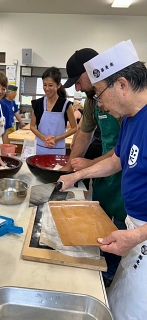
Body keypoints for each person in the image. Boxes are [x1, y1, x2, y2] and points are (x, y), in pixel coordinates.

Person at [59, 39, 147, 320]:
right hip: (136, 231)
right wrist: (78, 175)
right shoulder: (133, 118)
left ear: (121, 84)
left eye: (98, 93)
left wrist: (135, 236)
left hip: (142, 236)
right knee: (115, 301)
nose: (98, 103)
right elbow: (118, 159)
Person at [61, 48, 126, 287]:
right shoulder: (92, 100)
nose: (77, 88)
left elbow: (123, 148)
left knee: (118, 241)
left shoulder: (120, 96)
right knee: (99, 232)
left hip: (125, 182)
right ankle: (98, 274)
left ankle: (107, 280)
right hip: (103, 176)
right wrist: (69, 170)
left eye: (78, 81)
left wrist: (89, 164)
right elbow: (83, 134)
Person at [30, 67, 77, 155]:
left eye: (50, 85)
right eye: (44, 85)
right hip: (39, 148)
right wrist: (44, 138)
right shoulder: (38, 103)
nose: (47, 88)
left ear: (58, 85)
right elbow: (32, 126)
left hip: (58, 150)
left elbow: (74, 128)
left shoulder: (66, 105)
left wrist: (56, 138)